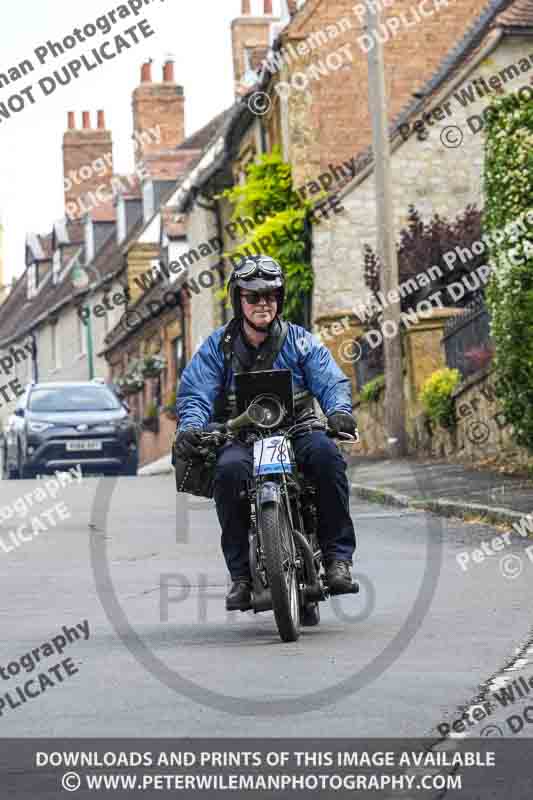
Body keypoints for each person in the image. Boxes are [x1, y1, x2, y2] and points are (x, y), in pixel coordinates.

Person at [175, 255, 357, 611]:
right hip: (241, 437)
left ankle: (338, 559)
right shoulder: (216, 348)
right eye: (253, 297)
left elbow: (329, 378)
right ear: (238, 300)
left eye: (271, 296)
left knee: (327, 457)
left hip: (299, 430)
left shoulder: (301, 341)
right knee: (228, 473)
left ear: (280, 299)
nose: (263, 303)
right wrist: (192, 427)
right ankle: (241, 577)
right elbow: (196, 392)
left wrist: (338, 411)